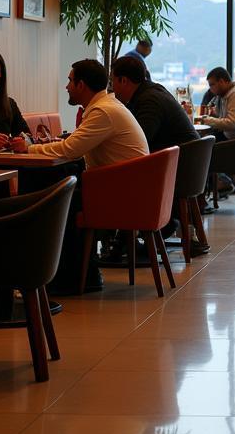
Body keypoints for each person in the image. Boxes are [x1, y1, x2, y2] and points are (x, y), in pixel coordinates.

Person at [13, 59, 148, 292]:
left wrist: (29, 149)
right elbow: (76, 145)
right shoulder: (107, 106)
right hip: (131, 189)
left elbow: (70, 150)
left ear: (82, 85)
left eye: (70, 81)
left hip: (124, 195)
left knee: (54, 200)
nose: (67, 86)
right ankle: (76, 272)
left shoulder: (103, 111)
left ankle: (69, 276)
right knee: (55, 186)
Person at [111, 55, 198, 152]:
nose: (112, 88)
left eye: (112, 81)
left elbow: (138, 144)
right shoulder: (152, 91)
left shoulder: (149, 101)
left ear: (123, 81)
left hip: (182, 161)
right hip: (188, 158)